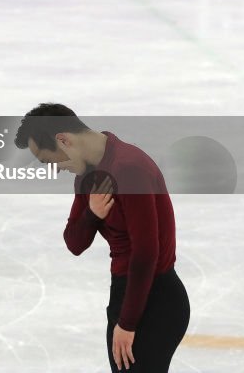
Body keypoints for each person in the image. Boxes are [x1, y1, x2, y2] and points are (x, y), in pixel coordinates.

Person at [14, 103, 190, 372]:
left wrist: (128, 322)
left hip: (155, 299)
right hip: (127, 293)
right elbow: (74, 243)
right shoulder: (87, 176)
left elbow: (146, 253)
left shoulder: (128, 168)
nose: (54, 169)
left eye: (49, 160)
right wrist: (91, 213)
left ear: (64, 140)